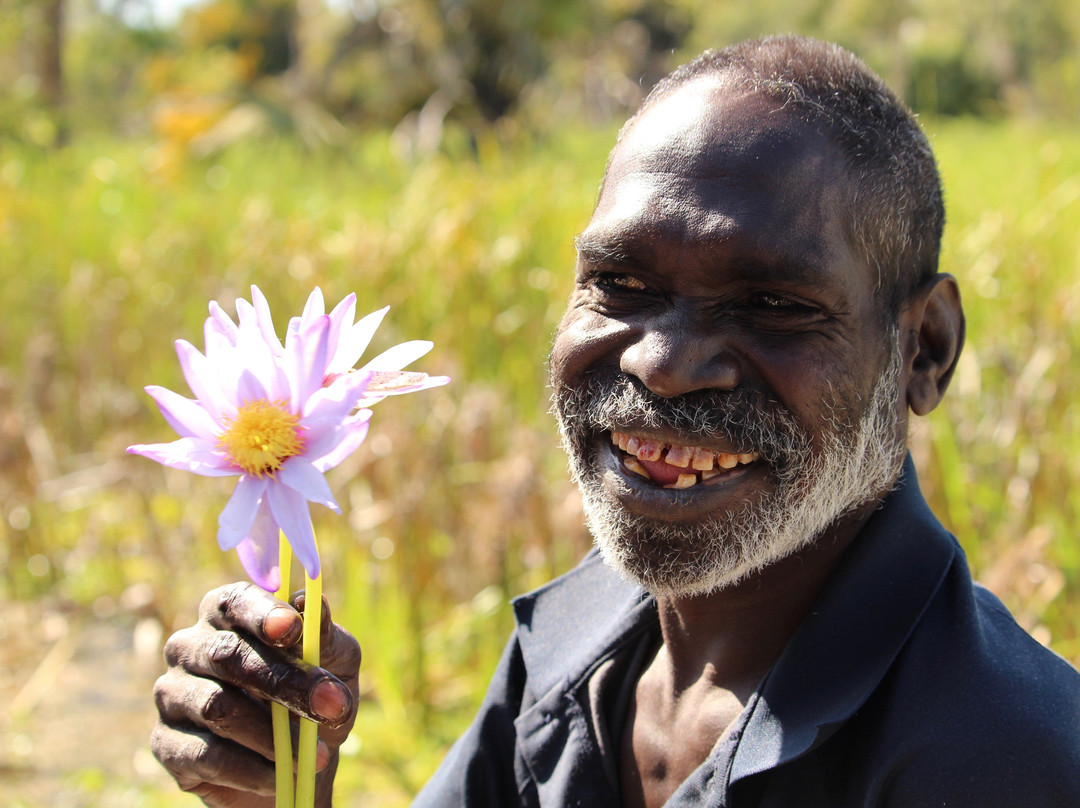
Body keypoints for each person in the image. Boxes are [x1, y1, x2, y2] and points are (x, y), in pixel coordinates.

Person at [150, 35, 1080, 807]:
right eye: (621, 286)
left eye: (771, 304)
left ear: (924, 351)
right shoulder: (580, 639)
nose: (661, 363)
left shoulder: (1002, 756)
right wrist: (282, 788)